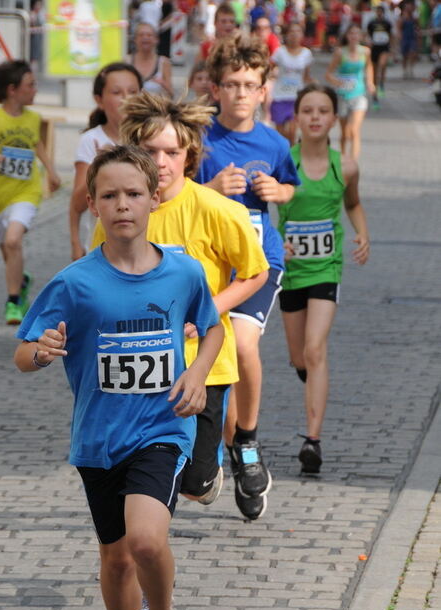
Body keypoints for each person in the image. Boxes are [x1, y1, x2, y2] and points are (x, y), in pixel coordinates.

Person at [14, 144, 224, 610]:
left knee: (146, 542)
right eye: (109, 195)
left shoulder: (181, 271)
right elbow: (24, 353)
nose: (122, 204)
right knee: (114, 557)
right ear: (93, 204)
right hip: (99, 441)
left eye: (134, 193)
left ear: (154, 198)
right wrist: (41, 351)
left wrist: (198, 374)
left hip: (161, 429)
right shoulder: (75, 283)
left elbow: (210, 327)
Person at [91, 92, 269, 508]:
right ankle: (145, 540)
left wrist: (208, 310)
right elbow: (101, 274)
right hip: (141, 363)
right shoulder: (122, 210)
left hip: (204, 364)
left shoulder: (217, 210)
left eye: (172, 151)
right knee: (144, 467)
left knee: (194, 482)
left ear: (189, 154)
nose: (162, 161)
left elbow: (255, 272)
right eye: (151, 150)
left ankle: (209, 475)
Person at [196, 32, 299, 520]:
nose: (240, 93)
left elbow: (291, 185)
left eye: (250, 84)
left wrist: (279, 192)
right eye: (232, 84)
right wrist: (211, 187)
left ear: (263, 91)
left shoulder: (275, 141)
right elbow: (179, 192)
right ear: (216, 89)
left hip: (260, 262)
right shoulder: (201, 140)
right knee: (218, 364)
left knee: (241, 346)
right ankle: (232, 448)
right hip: (213, 267)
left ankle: (249, 440)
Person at [277, 83, 369, 473]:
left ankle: (312, 440)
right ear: (297, 117)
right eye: (308, 110)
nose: (315, 117)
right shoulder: (283, 162)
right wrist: (272, 244)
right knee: (300, 357)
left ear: (334, 118)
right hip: (291, 271)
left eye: (323, 111)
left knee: (315, 349)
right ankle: (311, 374)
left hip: (326, 268)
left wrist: (362, 233)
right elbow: (261, 211)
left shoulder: (344, 165)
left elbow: (353, 202)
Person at [0, 60, 60, 325]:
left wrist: (51, 171)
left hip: (27, 192)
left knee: (13, 240)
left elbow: (37, 145)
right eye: (30, 85)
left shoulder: (33, 118)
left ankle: (13, 301)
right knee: (9, 251)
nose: (35, 90)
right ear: (12, 90)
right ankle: (22, 281)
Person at [69, 62, 142, 261]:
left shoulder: (152, 140)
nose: (126, 98)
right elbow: (77, 204)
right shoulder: (91, 141)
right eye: (117, 92)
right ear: (99, 100)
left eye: (133, 91)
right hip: (102, 250)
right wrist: (99, 167)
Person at [325, 23, 374, 159]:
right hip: (342, 95)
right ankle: (343, 157)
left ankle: (353, 163)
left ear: (361, 36)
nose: (354, 36)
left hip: (359, 94)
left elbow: (369, 67)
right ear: (347, 36)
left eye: (357, 33)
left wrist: (370, 82)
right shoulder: (340, 52)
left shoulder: (365, 51)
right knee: (345, 133)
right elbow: (328, 74)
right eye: (351, 33)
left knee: (354, 130)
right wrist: (338, 82)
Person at [270, 22, 313, 144]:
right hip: (279, 96)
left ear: (302, 35)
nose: (294, 35)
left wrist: (313, 84)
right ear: (286, 35)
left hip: (296, 97)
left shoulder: (306, 54)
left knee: (292, 133)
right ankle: (282, 156)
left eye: (298, 32)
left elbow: (306, 76)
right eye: (291, 32)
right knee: (280, 135)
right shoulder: (280, 52)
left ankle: (291, 160)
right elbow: (269, 68)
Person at [128, 22, 173, 96]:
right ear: (135, 40)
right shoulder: (127, 61)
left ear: (156, 40)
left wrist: (163, 84)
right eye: (141, 35)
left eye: (149, 35)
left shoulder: (164, 62)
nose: (145, 38)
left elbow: (171, 94)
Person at [367, 4, 393, 104]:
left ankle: (381, 81)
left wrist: (392, 48)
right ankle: (375, 91)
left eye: (380, 11)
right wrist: (368, 43)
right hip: (375, 47)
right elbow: (368, 34)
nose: (379, 13)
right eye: (377, 11)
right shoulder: (372, 23)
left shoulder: (387, 23)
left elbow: (391, 35)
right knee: (374, 70)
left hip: (384, 47)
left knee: (382, 64)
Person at [398, 2, 419, 77]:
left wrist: (417, 36)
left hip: (412, 37)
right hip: (405, 38)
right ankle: (405, 70)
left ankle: (411, 69)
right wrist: (400, 38)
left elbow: (417, 27)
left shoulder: (414, 18)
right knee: (404, 55)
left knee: (412, 53)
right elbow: (399, 28)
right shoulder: (402, 18)